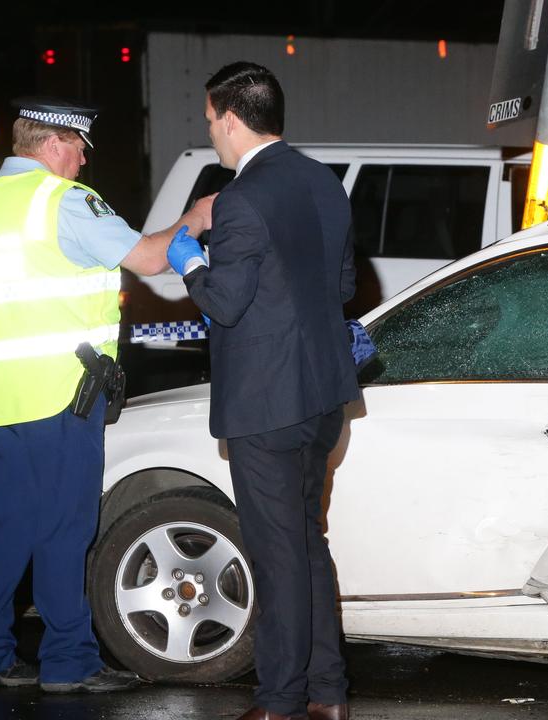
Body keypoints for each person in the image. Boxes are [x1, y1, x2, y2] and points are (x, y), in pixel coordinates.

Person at [0, 98, 212, 692]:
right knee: (65, 529)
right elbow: (147, 257)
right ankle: (68, 662)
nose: (84, 160)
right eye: (80, 147)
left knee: (4, 529)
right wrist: (197, 216)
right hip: (60, 396)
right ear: (55, 144)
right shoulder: (64, 202)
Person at [167, 62, 358, 720]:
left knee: (279, 557)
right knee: (306, 544)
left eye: (208, 120)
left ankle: (279, 702)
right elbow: (339, 289)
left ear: (229, 118)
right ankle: (327, 694)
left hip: (267, 404)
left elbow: (223, 302)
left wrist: (189, 254)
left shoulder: (241, 199)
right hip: (323, 396)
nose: (211, 132)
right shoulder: (322, 183)